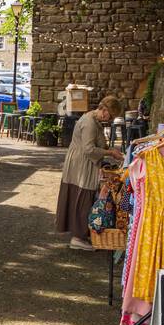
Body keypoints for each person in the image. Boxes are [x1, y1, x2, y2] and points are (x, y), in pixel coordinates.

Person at [55, 95, 124, 250]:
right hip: (81, 164)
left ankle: (80, 235)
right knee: (83, 196)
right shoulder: (90, 123)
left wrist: (109, 151)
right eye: (111, 116)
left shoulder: (95, 121)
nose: (110, 119)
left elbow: (96, 144)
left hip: (83, 162)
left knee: (82, 196)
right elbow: (89, 149)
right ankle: (78, 237)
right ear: (105, 111)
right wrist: (110, 153)